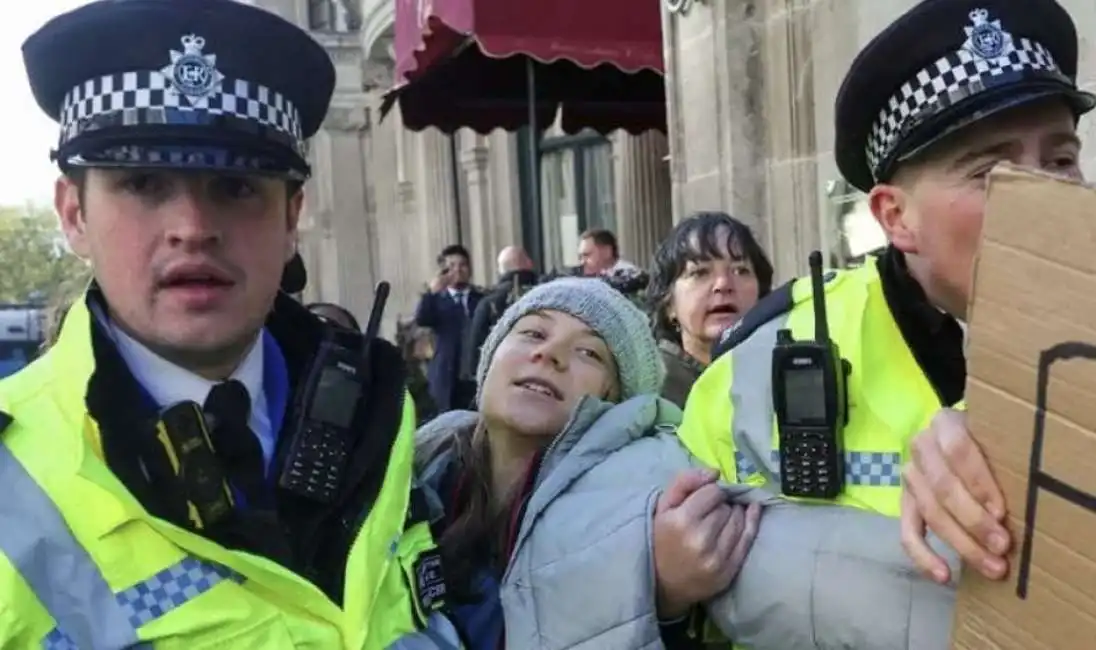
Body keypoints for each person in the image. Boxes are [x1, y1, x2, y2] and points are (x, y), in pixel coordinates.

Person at [0, 1, 444, 647]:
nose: (193, 227)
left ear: (292, 218)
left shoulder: (377, 413)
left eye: (236, 187)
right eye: (145, 183)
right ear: (73, 214)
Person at [413, 277, 960, 649]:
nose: (549, 354)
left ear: (618, 399)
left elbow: (808, 568)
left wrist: (665, 599)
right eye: (532, 332)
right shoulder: (411, 472)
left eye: (589, 352)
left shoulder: (658, 485)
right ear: (489, 357)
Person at [647, 212, 773, 407]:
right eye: (700, 273)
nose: (723, 284)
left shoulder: (784, 374)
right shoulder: (650, 392)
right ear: (668, 302)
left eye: (740, 270)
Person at [417, 244, 484, 412]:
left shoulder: (482, 299)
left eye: (463, 265)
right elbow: (422, 319)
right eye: (451, 266)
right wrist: (431, 293)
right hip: (447, 376)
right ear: (443, 272)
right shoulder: (436, 300)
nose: (458, 270)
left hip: (475, 375)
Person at [460, 245, 539, 382]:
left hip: (502, 380)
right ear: (529, 263)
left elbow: (474, 357)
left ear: (501, 271)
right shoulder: (547, 296)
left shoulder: (489, 303)